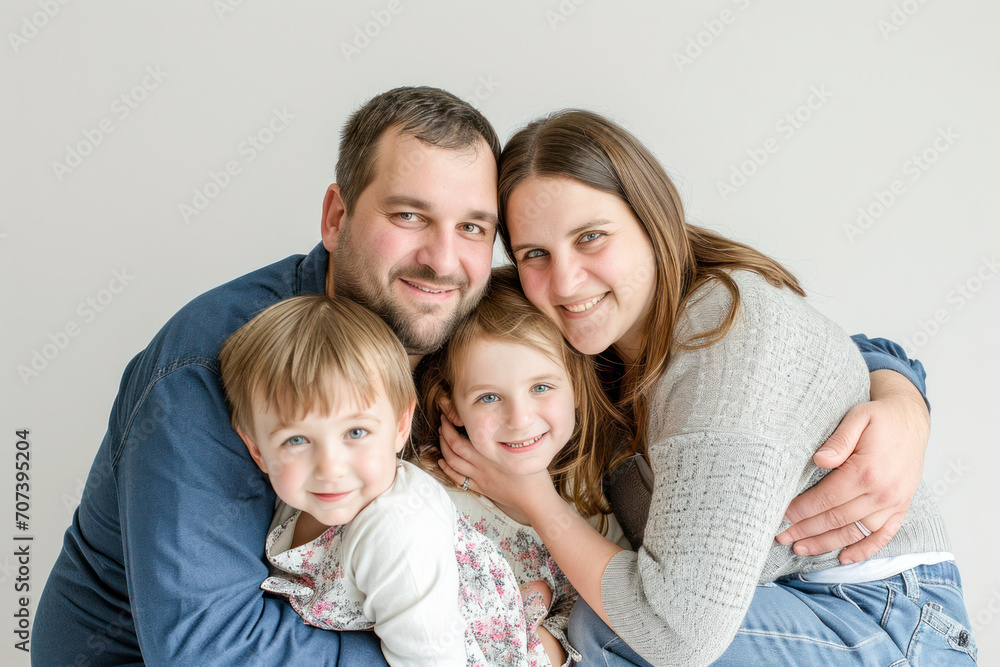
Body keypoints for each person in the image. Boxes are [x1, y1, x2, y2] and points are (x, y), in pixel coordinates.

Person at [33, 86, 938, 665]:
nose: (445, 258)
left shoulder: (476, 310)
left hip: (833, 609)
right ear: (336, 214)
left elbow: (777, 349)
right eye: (409, 215)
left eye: (473, 228)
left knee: (602, 636)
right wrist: (484, 649)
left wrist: (898, 389)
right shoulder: (224, 362)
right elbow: (211, 654)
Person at [437, 109, 977, 665]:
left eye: (592, 238)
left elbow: (676, 633)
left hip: (882, 615)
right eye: (535, 255)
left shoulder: (722, 343)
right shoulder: (584, 344)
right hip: (776, 607)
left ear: (652, 221)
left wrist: (534, 500)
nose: (566, 281)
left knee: (603, 631)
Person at [218, 294, 531, 666]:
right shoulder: (299, 499)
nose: (330, 467)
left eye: (355, 433)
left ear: (400, 427)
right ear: (257, 451)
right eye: (297, 440)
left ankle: (535, 624)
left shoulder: (395, 532)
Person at [416, 265, 629, 667]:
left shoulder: (589, 500)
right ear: (451, 406)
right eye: (488, 398)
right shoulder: (426, 495)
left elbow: (618, 615)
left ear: (578, 388)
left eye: (541, 388)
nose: (519, 418)